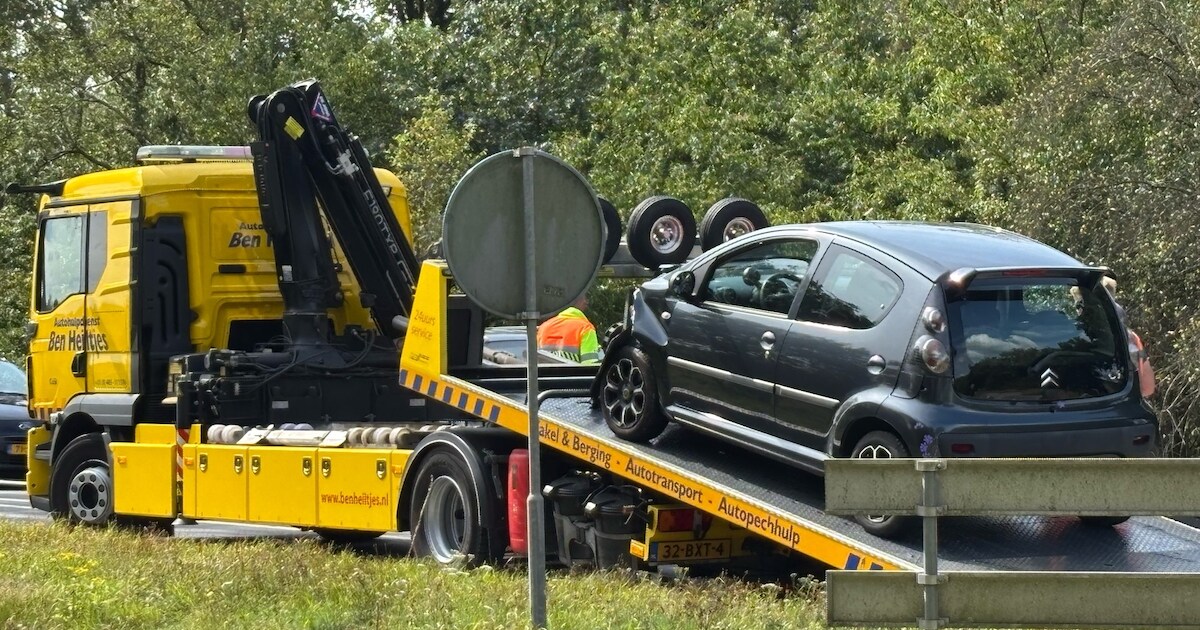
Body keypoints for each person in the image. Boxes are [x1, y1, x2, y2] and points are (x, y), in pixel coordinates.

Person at [537, 294, 601, 365]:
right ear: (575, 300)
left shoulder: (543, 327)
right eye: (584, 298)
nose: (586, 302)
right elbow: (589, 365)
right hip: (573, 372)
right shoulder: (586, 328)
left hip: (545, 372)